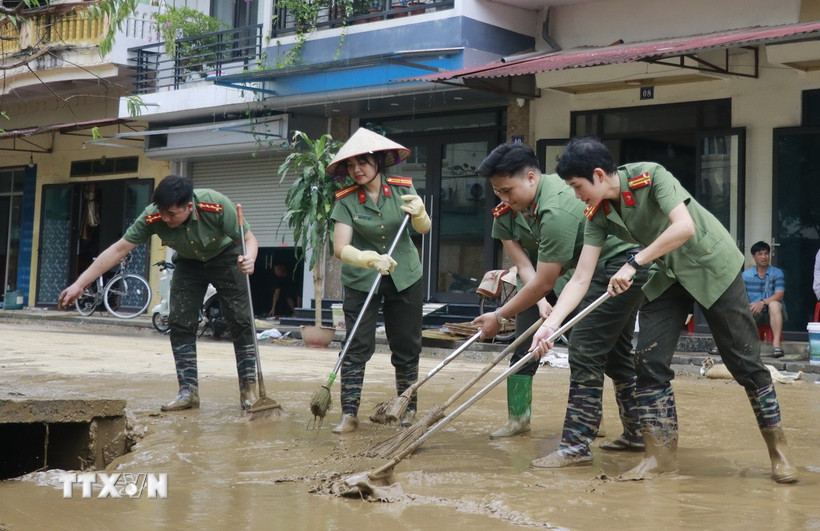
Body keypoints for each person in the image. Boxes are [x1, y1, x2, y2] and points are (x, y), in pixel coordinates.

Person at [531, 137, 797, 483]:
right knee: (649, 361)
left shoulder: (650, 176)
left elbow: (684, 227)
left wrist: (633, 263)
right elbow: (581, 278)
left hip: (710, 265)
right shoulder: (598, 215)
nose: (576, 194)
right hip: (665, 275)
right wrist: (550, 325)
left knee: (744, 362)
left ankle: (779, 452)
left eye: (576, 186)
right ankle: (660, 457)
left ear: (598, 175)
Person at [470, 142, 648, 466]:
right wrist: (536, 309)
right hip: (590, 270)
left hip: (615, 266)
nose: (505, 199)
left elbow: (545, 281)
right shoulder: (520, 209)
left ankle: (576, 445)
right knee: (616, 352)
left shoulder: (555, 209)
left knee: (585, 346)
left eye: (508, 190)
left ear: (530, 178)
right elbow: (535, 273)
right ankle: (636, 433)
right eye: (498, 193)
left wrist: (499, 314)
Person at [59, 175, 261, 412]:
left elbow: (249, 238)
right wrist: (80, 284)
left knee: (240, 321)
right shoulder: (152, 215)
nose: (164, 218)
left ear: (189, 206)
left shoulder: (215, 205)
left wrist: (250, 259)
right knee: (179, 322)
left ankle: (249, 390)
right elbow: (119, 249)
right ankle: (188, 392)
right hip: (188, 264)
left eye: (171, 214)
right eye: (162, 212)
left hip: (227, 258)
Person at [327, 127, 431, 434]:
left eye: (363, 162)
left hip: (405, 274)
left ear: (378, 162)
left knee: (407, 343)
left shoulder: (402, 188)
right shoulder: (346, 200)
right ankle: (348, 413)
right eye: (350, 165)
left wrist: (421, 214)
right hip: (362, 277)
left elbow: (423, 229)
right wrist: (369, 259)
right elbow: (340, 247)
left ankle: (407, 407)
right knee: (356, 344)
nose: (356, 170)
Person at [742, 241, 787, 358]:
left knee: (775, 305)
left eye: (766, 254)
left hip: (774, 313)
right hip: (753, 312)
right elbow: (741, 296)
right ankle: (727, 345)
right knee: (732, 307)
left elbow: (780, 294)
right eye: (760, 254)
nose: (764, 257)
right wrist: (750, 306)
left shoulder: (777, 273)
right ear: (753, 256)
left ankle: (776, 344)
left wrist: (762, 303)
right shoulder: (746, 275)